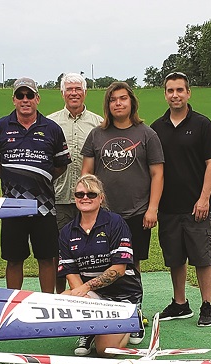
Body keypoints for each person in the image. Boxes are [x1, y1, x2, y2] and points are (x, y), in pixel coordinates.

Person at [81, 81, 163, 343]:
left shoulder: (146, 134)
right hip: (104, 214)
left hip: (137, 212)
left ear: (131, 103)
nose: (118, 103)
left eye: (123, 99)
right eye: (113, 99)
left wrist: (152, 208)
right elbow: (87, 175)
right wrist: (88, 206)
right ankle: (98, 320)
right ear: (108, 105)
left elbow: (157, 173)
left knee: (131, 264)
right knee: (102, 266)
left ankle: (133, 315)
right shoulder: (97, 135)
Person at [150, 71, 211, 327]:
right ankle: (180, 304)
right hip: (169, 207)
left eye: (180, 90)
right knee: (174, 257)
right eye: (170, 91)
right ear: (165, 94)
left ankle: (206, 305)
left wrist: (204, 199)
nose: (175, 95)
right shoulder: (156, 128)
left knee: (203, 257)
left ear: (188, 93)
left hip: (197, 207)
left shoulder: (203, 125)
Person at [0, 77, 70, 293]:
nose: (25, 100)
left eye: (30, 95)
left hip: (44, 207)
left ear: (37, 99)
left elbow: (61, 165)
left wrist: (40, 178)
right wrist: (10, 179)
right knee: (14, 259)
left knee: (47, 258)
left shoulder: (51, 128)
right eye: (20, 96)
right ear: (13, 99)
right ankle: (14, 304)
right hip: (12, 208)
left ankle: (47, 302)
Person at [58, 174, 142, 356]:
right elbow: (71, 273)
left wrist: (86, 288)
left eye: (91, 194)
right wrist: (85, 300)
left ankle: (133, 316)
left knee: (105, 351)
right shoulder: (67, 231)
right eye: (79, 194)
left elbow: (119, 269)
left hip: (122, 295)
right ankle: (91, 328)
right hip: (95, 295)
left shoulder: (115, 222)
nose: (85, 198)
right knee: (65, 297)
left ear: (101, 197)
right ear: (75, 198)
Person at [48, 73, 103, 293]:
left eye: (78, 89)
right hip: (60, 198)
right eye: (69, 89)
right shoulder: (51, 123)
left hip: (90, 200)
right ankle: (60, 295)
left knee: (90, 250)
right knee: (59, 251)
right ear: (62, 93)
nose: (73, 93)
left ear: (85, 92)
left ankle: (89, 295)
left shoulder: (98, 123)